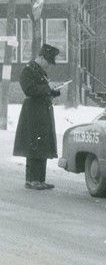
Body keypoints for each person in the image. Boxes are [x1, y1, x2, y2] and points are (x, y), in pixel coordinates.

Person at [13, 44, 61, 190]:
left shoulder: (39, 71)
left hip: (42, 112)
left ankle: (40, 179)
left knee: (43, 145)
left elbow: (42, 90)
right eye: (48, 62)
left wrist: (54, 91)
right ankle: (32, 180)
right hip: (33, 113)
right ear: (41, 57)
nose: (49, 66)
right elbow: (29, 89)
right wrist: (48, 89)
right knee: (34, 145)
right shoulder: (28, 70)